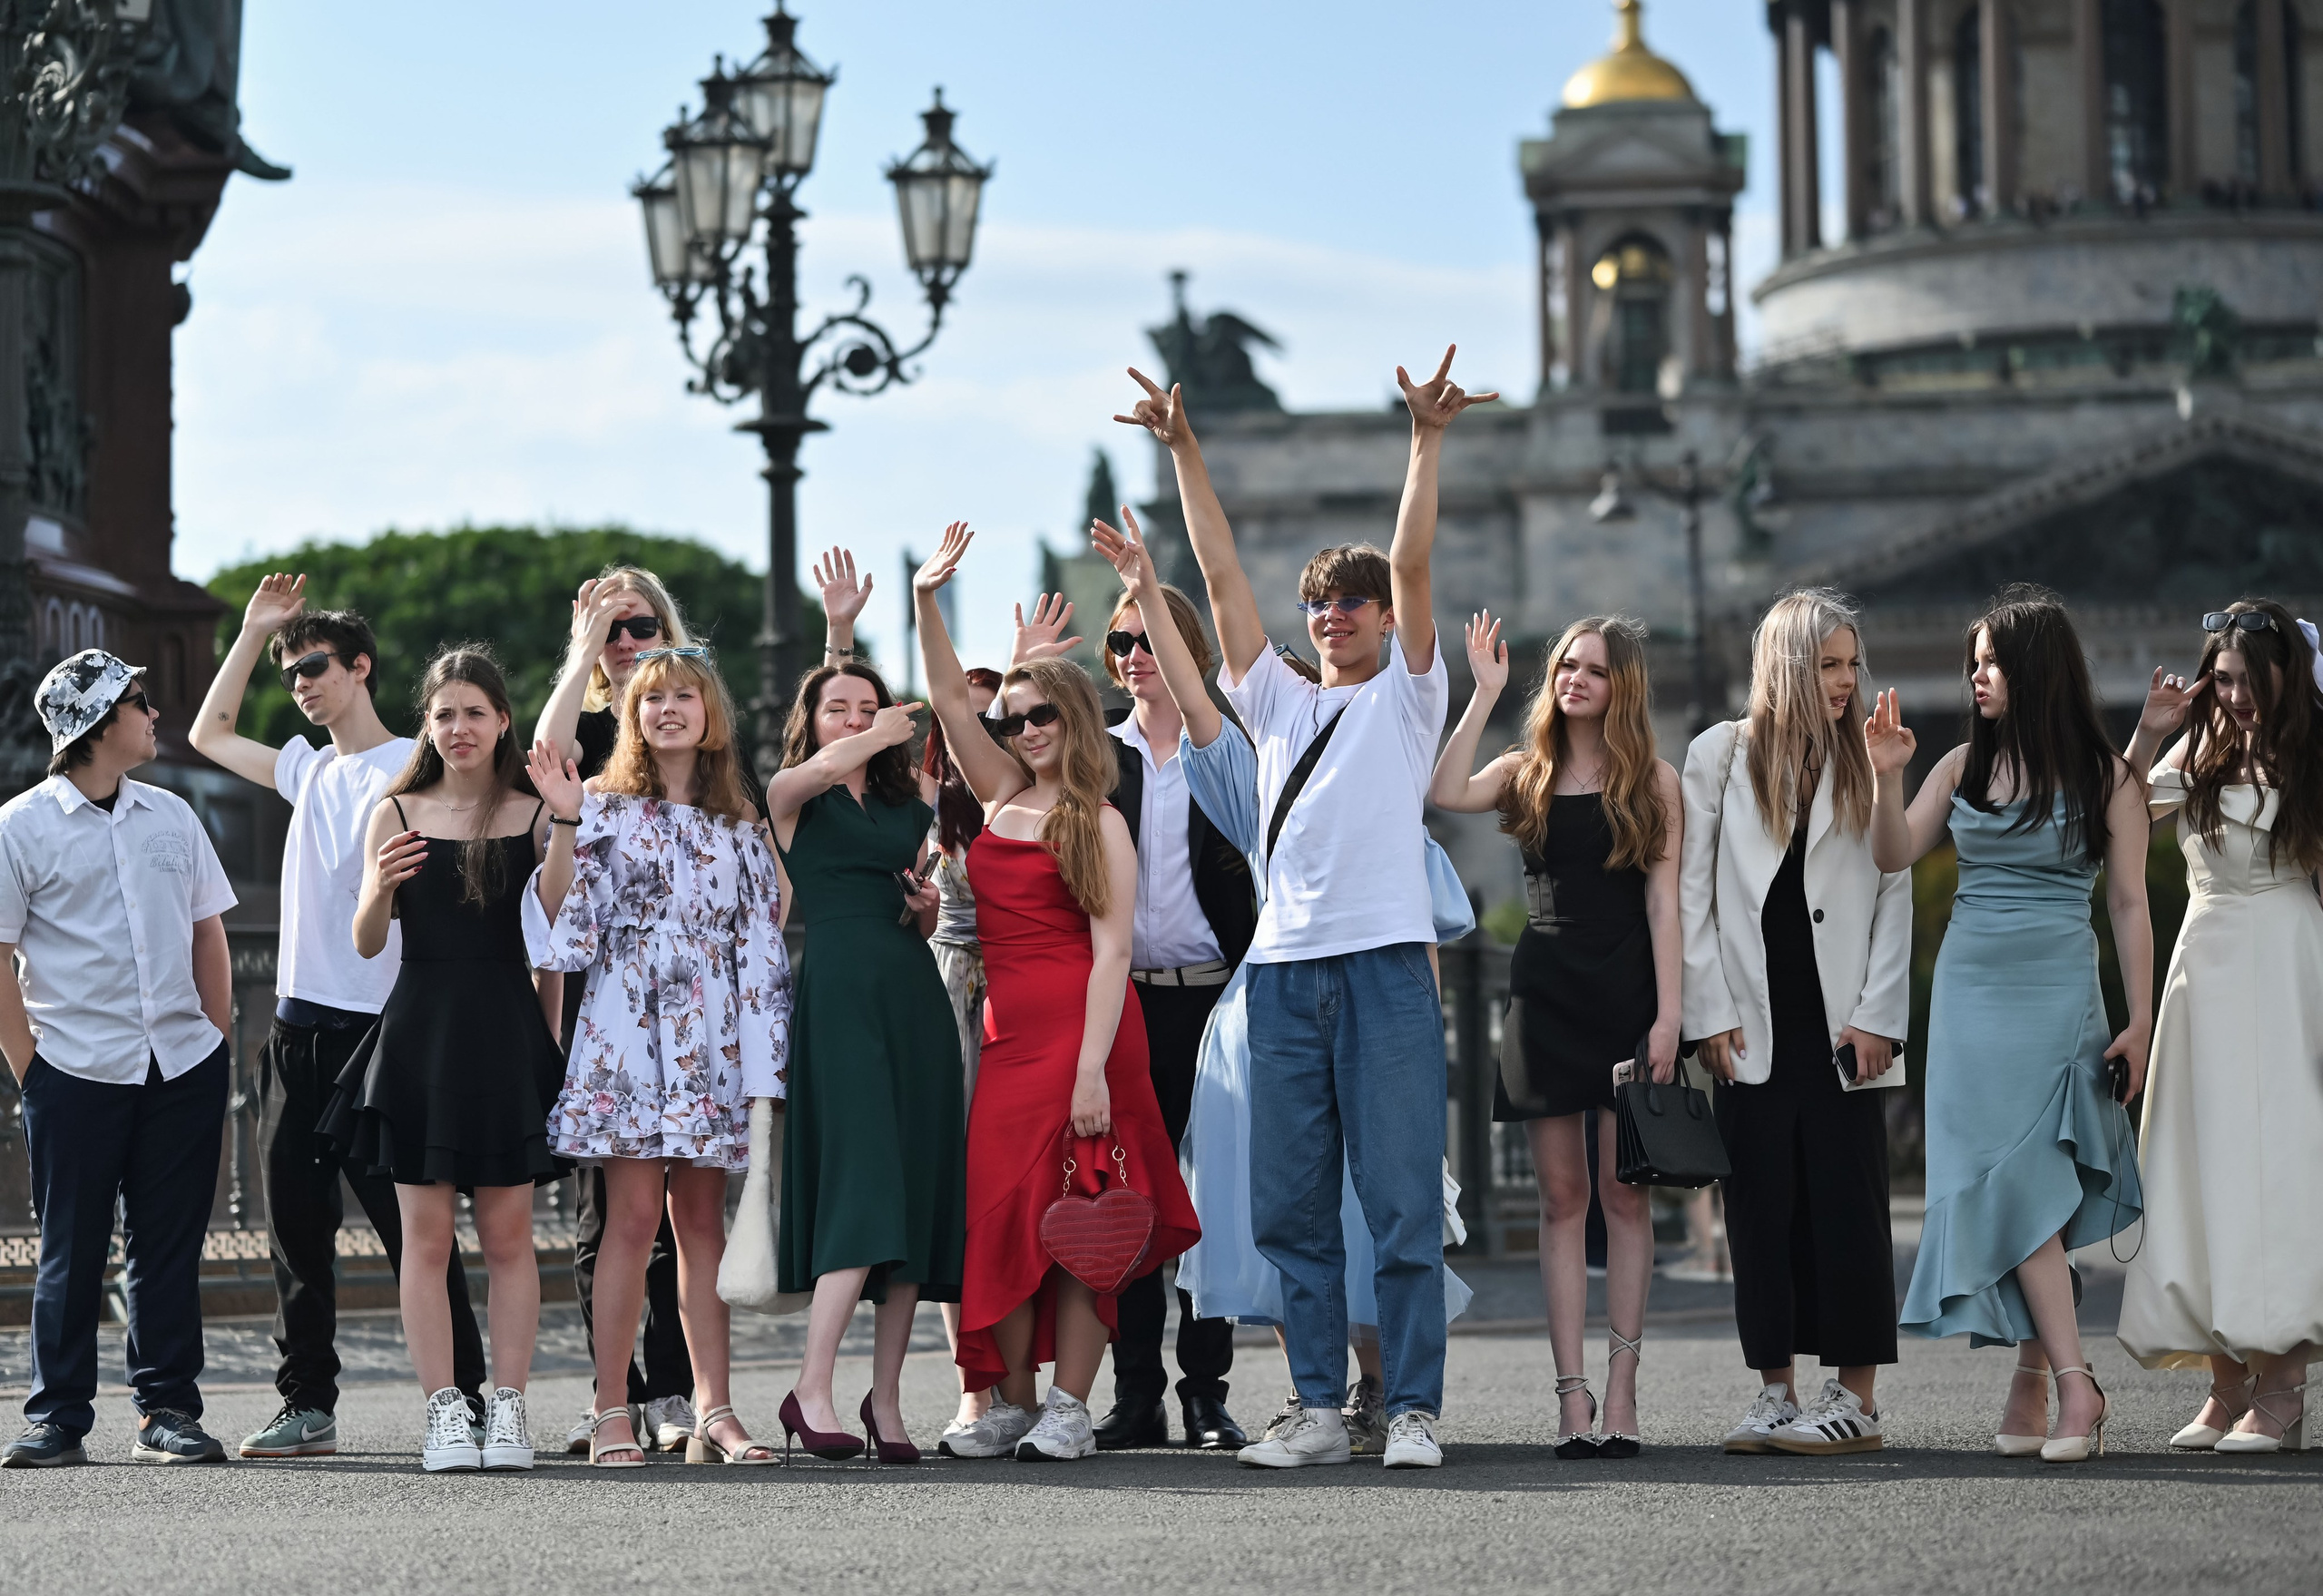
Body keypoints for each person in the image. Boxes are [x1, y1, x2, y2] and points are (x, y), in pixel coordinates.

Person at [1119, 349, 1493, 1471]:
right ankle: (1321, 1404)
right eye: (1320, 604)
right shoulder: (1270, 697)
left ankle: (1413, 1407)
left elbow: (1417, 558)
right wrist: (1182, 451)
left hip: (1381, 965)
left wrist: (1424, 441)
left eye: (1352, 603)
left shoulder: (1409, 697)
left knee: (1396, 1207)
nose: (1332, 616)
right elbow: (1222, 579)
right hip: (1280, 972)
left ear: (1383, 619)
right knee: (1288, 1208)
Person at [915, 522, 1201, 1464]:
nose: (1023, 728)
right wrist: (924, 602)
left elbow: (1114, 952)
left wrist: (1089, 1074)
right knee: (1004, 1216)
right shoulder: (997, 792)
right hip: (1007, 1041)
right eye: (1016, 717)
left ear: (1074, 720)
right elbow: (953, 704)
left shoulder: (1098, 819)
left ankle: (1071, 1407)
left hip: (1086, 1043)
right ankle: (1010, 1400)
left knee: (1089, 1219)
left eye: (1041, 715)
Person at [189, 573, 485, 1460]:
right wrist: (251, 633)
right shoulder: (305, 766)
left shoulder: (411, 765)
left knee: (414, 1231)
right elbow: (207, 734)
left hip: (382, 1032)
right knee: (294, 1226)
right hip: (294, 1027)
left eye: (313, 663)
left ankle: (463, 1400)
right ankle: (305, 1404)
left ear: (360, 666)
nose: (302, 682)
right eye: (290, 673)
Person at [1874, 585, 2149, 1464]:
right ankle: (2048, 1384)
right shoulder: (1957, 766)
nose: (1976, 675)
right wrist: (1886, 774)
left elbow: (2132, 905)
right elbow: (1890, 852)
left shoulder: (2108, 777)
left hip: (2059, 992)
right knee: (2014, 1190)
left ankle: (2066, 1388)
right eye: (1973, 660)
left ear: (2032, 669)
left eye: (1991, 660)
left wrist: (2140, 1020)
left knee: (2037, 1187)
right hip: (1967, 999)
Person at [528, 645, 790, 1468]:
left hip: (711, 1037)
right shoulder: (599, 806)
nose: (668, 708)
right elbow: (562, 924)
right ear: (632, 715)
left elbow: (762, 946)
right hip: (626, 1032)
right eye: (651, 698)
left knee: (700, 1224)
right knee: (631, 1222)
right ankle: (612, 1407)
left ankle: (714, 1407)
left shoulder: (741, 821)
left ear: (711, 713)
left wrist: (764, 1071)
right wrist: (566, 820)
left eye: (685, 695)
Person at [1431, 611, 1681, 1458]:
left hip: (1626, 993)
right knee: (1561, 1198)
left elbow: (1663, 906)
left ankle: (1622, 1390)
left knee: (1624, 1196)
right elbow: (1442, 791)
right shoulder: (1524, 769)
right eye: (1568, 665)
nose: (1576, 678)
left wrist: (1669, 1017)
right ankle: (1571, 1398)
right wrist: (1485, 694)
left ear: (1625, 686)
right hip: (1542, 996)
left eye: (1596, 669)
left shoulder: (1653, 781)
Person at [1677, 592, 1911, 1457]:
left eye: (1852, 662)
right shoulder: (1719, 755)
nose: (1847, 680)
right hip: (1748, 1022)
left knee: (1851, 1204)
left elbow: (1895, 890)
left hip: (1844, 1021)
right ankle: (1773, 1390)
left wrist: (1882, 1012)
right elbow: (1691, 894)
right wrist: (1707, 1012)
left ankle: (1856, 1395)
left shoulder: (1870, 755)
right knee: (1759, 1207)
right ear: (1786, 664)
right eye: (1828, 664)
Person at [324, 647, 566, 1472]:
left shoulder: (536, 814)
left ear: (503, 720)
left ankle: (507, 1407)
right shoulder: (393, 812)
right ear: (426, 725)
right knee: (424, 1239)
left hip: (505, 1032)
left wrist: (564, 822)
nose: (458, 728)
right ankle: (442, 1413)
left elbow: (561, 923)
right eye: (443, 714)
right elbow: (364, 944)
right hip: (418, 1034)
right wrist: (378, 890)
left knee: (508, 1237)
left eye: (474, 711)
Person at [0, 651, 236, 1467]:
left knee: (167, 1248)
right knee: (70, 1245)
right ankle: (58, 1417)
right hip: (72, 1071)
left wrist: (213, 1042)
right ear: (100, 724)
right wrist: (33, 1071)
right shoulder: (18, 826)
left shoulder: (171, 816)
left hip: (180, 1067)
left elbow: (209, 930)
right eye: (140, 700)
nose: (154, 711)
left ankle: (166, 1409)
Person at [1047, 567, 1256, 1454]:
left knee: (1214, 1203)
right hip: (1128, 1006)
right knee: (1129, 1203)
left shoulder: (1229, 749)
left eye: (1145, 640)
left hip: (1219, 1000)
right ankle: (1137, 1395)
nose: (1130, 658)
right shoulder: (1098, 754)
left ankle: (1206, 1390)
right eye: (1120, 644)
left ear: (1187, 650)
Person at [2117, 600, 2323, 1454]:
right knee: (2197, 1165)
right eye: (2225, 678)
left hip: (2284, 963)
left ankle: (2284, 1386)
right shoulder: (2197, 748)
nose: (2234, 694)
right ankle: (2226, 1382)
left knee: (2275, 1168)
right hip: (2201, 969)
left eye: (2249, 678)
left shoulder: (2313, 757)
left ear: (2287, 674)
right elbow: (2120, 811)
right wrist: (2145, 733)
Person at [766, 650, 961, 1466]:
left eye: (865, 707)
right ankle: (809, 1385)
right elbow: (822, 767)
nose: (851, 718)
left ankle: (885, 1400)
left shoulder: (905, 795)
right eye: (835, 706)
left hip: (911, 991)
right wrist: (871, 725)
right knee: (861, 1178)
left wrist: (925, 911)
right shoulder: (788, 794)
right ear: (810, 722)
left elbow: (914, 897)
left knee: (914, 1189)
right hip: (839, 993)